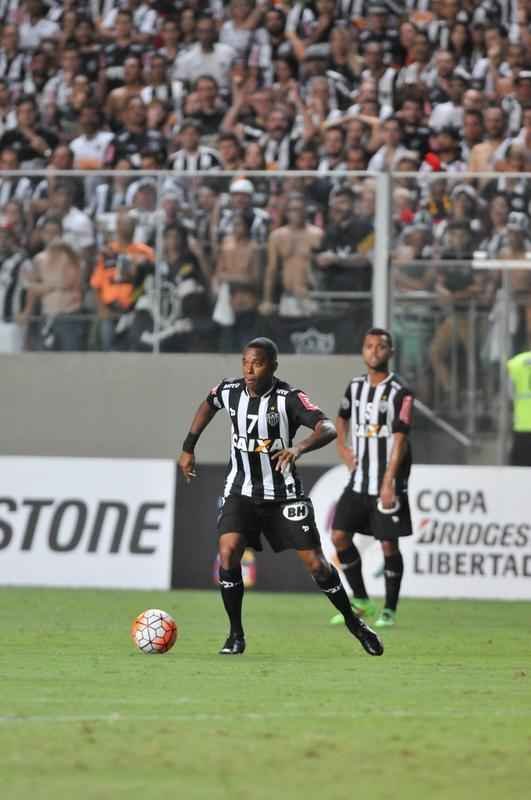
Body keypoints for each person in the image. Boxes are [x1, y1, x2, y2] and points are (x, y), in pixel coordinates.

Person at [177, 336, 384, 657]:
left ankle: (354, 623)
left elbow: (327, 427)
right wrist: (188, 447)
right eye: (245, 362)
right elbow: (208, 403)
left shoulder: (289, 398)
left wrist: (298, 447)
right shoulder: (230, 391)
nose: (249, 368)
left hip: (284, 495)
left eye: (257, 363)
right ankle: (235, 634)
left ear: (272, 366)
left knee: (316, 565)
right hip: (240, 490)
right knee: (229, 550)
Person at [330, 328, 414, 629]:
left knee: (388, 544)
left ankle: (390, 609)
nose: (374, 351)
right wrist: (342, 446)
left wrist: (390, 481)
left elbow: (400, 440)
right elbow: (341, 417)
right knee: (339, 536)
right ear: (362, 352)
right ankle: (362, 600)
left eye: (381, 346)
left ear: (390, 352)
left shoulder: (400, 392)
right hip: (358, 481)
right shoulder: (354, 388)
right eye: (369, 346)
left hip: (385, 482)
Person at [507, 346, 531, 467]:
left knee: (520, 471)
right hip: (522, 427)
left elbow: (509, 392)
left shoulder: (515, 363)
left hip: (522, 426)